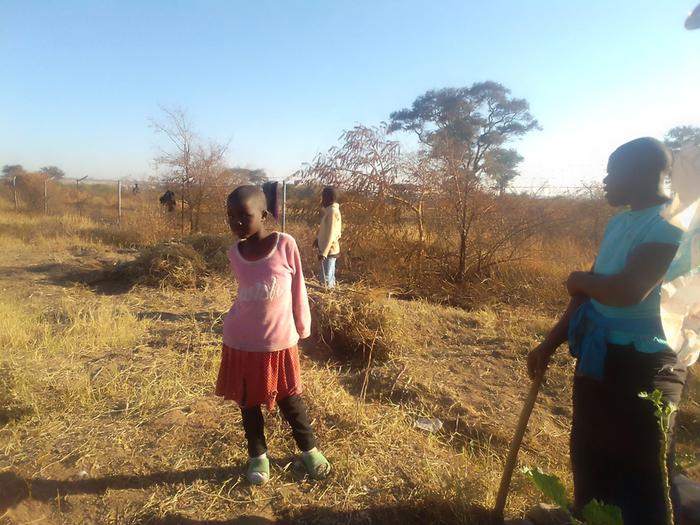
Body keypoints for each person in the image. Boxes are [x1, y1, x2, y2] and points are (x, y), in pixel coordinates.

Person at [527, 137, 687, 525]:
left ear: (638, 174)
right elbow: (588, 294)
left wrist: (578, 278)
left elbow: (628, 291)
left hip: (647, 364)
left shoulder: (672, 222)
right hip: (599, 358)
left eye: (612, 171)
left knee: (642, 470)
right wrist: (548, 344)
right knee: (590, 451)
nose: (605, 180)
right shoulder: (620, 222)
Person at [216, 185, 331, 485]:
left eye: (244, 215)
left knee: (291, 401)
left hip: (279, 343)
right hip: (241, 342)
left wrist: (302, 326)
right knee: (248, 404)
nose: (236, 222)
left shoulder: (285, 244)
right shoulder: (235, 253)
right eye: (231, 216)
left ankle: (309, 449)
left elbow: (298, 288)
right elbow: (245, 296)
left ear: (265, 214)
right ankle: (258, 457)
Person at [313, 186, 342, 287]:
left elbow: (331, 234)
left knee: (326, 281)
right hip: (326, 251)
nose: (322, 200)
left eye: (323, 197)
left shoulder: (332, 212)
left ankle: (328, 300)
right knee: (327, 278)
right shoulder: (329, 211)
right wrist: (318, 240)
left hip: (329, 252)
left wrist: (324, 253)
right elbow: (325, 231)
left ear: (328, 199)